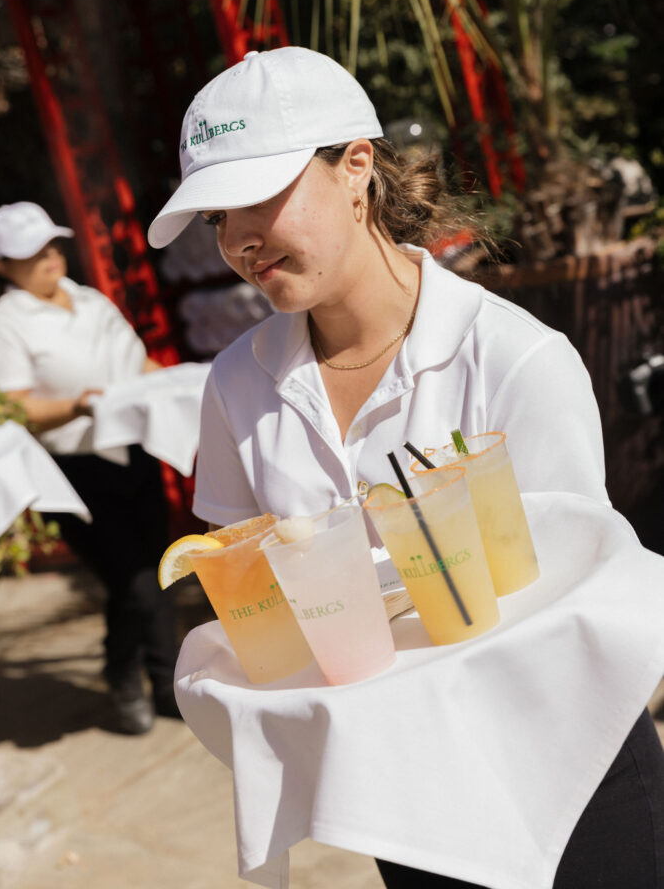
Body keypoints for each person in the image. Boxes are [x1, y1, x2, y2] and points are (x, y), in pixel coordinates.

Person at [148, 47, 664, 886]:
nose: (238, 239)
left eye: (255, 199)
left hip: (573, 779)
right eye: (215, 219)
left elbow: (571, 611)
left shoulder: (513, 358)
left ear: (356, 169)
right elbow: (249, 586)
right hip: (405, 799)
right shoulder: (238, 384)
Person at [0, 201, 180, 735]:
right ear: (1, 266)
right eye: (32, 253)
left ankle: (166, 686)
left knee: (159, 570)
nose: (49, 257)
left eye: (51, 244)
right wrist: (77, 405)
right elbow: (16, 406)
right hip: (73, 467)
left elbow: (139, 362)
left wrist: (180, 385)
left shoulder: (91, 300)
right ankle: (121, 674)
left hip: (134, 449)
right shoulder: (1, 325)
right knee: (133, 581)